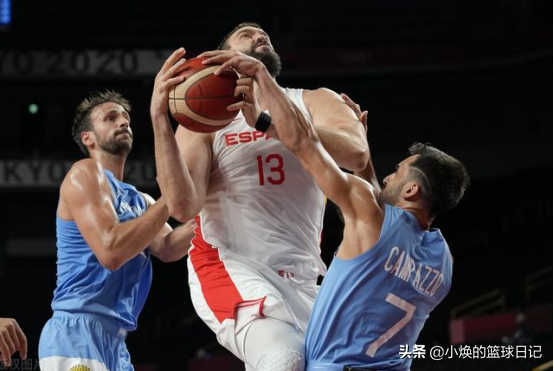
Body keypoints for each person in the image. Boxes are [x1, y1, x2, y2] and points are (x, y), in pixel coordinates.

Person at [201, 50, 470, 370]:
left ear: (412, 190)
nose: (387, 176)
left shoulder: (368, 212)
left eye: (397, 171)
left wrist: (263, 99)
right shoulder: (442, 262)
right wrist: (363, 154)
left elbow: (303, 144)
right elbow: (377, 220)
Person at [153, 23, 369, 371]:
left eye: (262, 35)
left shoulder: (315, 100)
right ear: (221, 59)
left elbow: (356, 155)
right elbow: (182, 206)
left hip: (302, 276)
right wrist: (158, 118)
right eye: (246, 36)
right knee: (283, 360)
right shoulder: (206, 120)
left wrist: (270, 118)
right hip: (230, 265)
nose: (259, 37)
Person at [39, 67, 196, 371]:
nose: (123, 121)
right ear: (88, 138)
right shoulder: (84, 173)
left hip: (117, 340)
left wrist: (214, 211)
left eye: (125, 117)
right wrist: (173, 195)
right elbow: (111, 252)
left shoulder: (141, 201)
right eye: (110, 118)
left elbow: (167, 247)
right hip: (76, 331)